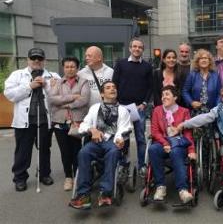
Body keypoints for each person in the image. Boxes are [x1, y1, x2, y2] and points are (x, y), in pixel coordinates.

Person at [69, 81, 132, 209]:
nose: (112, 89)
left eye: (114, 87)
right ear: (102, 94)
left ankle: (105, 193)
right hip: (96, 141)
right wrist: (93, 130)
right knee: (83, 153)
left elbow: (124, 128)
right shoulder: (94, 108)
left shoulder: (123, 110)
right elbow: (84, 125)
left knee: (113, 152)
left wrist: (119, 138)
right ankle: (83, 195)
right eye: (108, 88)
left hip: (112, 141)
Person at [4, 48, 58, 191]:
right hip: (24, 122)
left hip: (44, 120)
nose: (36, 61)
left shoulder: (53, 76)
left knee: (45, 149)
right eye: (33, 58)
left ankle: (44, 174)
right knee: (23, 151)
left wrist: (46, 86)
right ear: (27, 60)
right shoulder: (17, 75)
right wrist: (29, 86)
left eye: (39, 59)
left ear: (44, 61)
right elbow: (10, 94)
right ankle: (20, 178)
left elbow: (58, 96)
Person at [48, 57, 90, 191]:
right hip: (60, 122)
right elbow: (52, 99)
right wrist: (73, 97)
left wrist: (64, 104)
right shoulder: (58, 83)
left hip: (77, 122)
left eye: (72, 66)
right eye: (67, 67)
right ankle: (68, 177)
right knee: (65, 151)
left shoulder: (84, 82)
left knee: (77, 151)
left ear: (77, 68)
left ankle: (78, 176)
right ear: (63, 68)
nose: (69, 69)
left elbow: (84, 100)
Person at [149, 85, 196, 203]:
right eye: (163, 95)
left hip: (179, 143)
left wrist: (191, 151)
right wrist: (165, 143)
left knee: (175, 151)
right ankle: (160, 187)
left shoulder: (184, 111)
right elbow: (154, 131)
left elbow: (188, 134)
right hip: (162, 142)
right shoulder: (157, 110)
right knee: (153, 149)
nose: (164, 97)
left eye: (167, 94)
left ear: (175, 97)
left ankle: (183, 190)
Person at [112, 38, 152, 172]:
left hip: (139, 109)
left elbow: (150, 87)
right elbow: (114, 83)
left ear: (142, 50)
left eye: (140, 47)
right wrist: (116, 102)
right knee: (124, 138)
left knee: (141, 138)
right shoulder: (121, 64)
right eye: (134, 46)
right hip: (122, 107)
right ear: (130, 49)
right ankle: (124, 165)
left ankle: (142, 165)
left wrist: (145, 103)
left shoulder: (147, 66)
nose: (137, 49)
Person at [182, 48, 221, 114]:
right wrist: (191, 102)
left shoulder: (215, 76)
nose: (204, 60)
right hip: (195, 111)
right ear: (197, 61)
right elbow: (185, 91)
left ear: (210, 61)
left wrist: (216, 108)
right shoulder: (192, 75)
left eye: (206, 58)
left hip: (212, 112)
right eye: (201, 58)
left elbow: (219, 94)